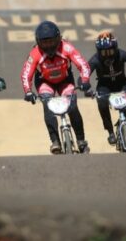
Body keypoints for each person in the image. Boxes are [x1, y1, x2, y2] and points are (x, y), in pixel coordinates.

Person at [20, 20, 91, 155]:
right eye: (45, 42)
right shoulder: (35, 53)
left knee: (73, 106)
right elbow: (25, 74)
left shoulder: (67, 48)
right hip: (45, 83)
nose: (49, 45)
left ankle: (81, 141)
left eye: (52, 41)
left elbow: (83, 65)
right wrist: (28, 91)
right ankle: (55, 142)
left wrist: (85, 80)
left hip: (65, 80)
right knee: (48, 106)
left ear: (59, 38)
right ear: (38, 41)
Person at [86, 31, 126, 148]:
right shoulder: (95, 60)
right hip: (104, 86)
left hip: (121, 84)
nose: (107, 55)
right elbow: (84, 75)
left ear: (116, 48)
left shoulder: (122, 55)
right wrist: (86, 86)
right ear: (98, 52)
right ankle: (110, 132)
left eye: (110, 51)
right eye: (104, 52)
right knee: (102, 104)